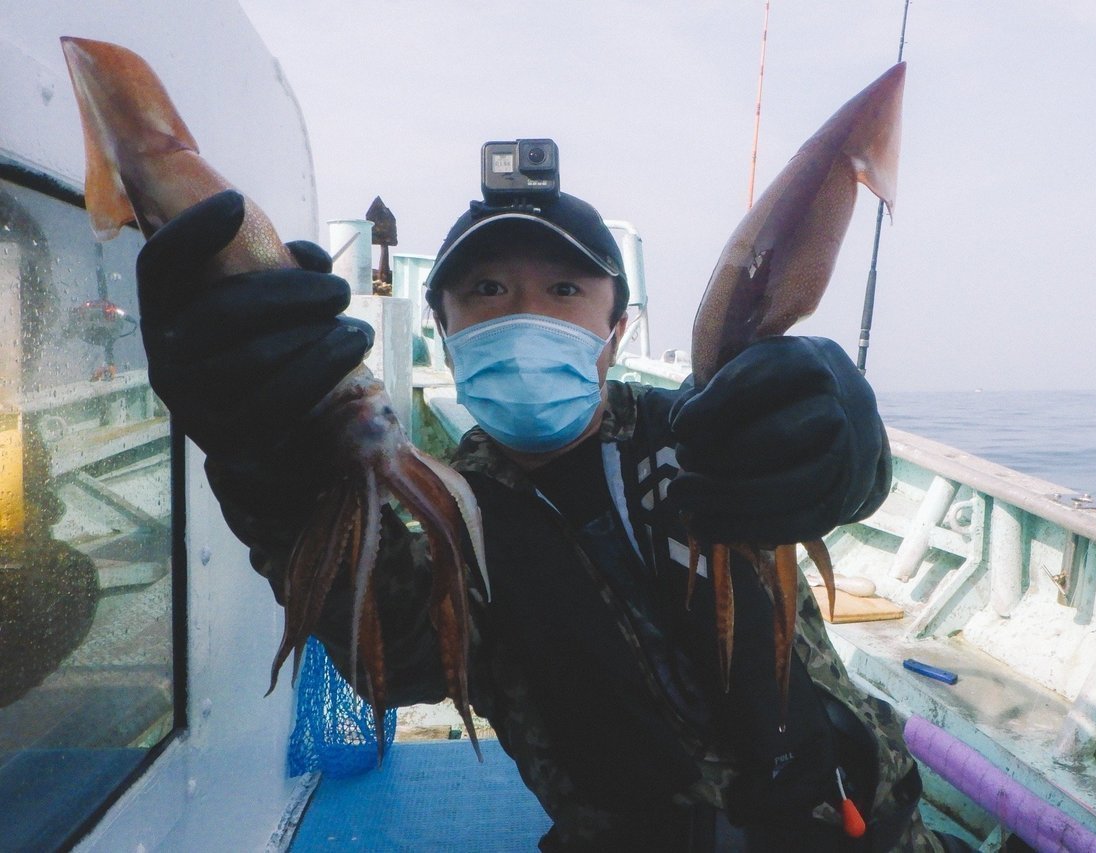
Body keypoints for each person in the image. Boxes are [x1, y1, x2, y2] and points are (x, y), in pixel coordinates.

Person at [137, 185, 948, 851]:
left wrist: (848, 440)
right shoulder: (445, 516)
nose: (527, 314)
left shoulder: (705, 432)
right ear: (446, 335)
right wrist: (276, 475)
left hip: (862, 828)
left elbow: (827, 477)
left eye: (565, 290)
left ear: (615, 329)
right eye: (487, 290)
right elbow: (388, 648)